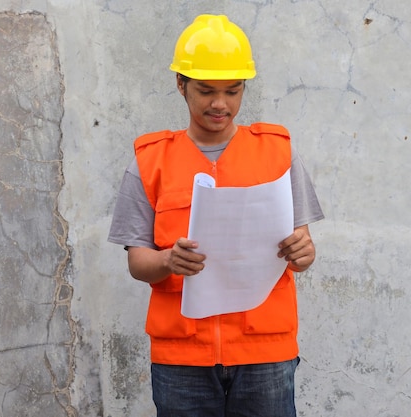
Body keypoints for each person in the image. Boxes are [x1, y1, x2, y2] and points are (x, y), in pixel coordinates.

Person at [108, 14, 324, 417]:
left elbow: (303, 249)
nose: (220, 104)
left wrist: (304, 253)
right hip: (182, 359)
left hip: (265, 354)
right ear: (181, 84)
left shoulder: (279, 153)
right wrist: (168, 260)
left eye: (233, 90)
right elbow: (138, 263)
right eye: (206, 91)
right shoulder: (149, 162)